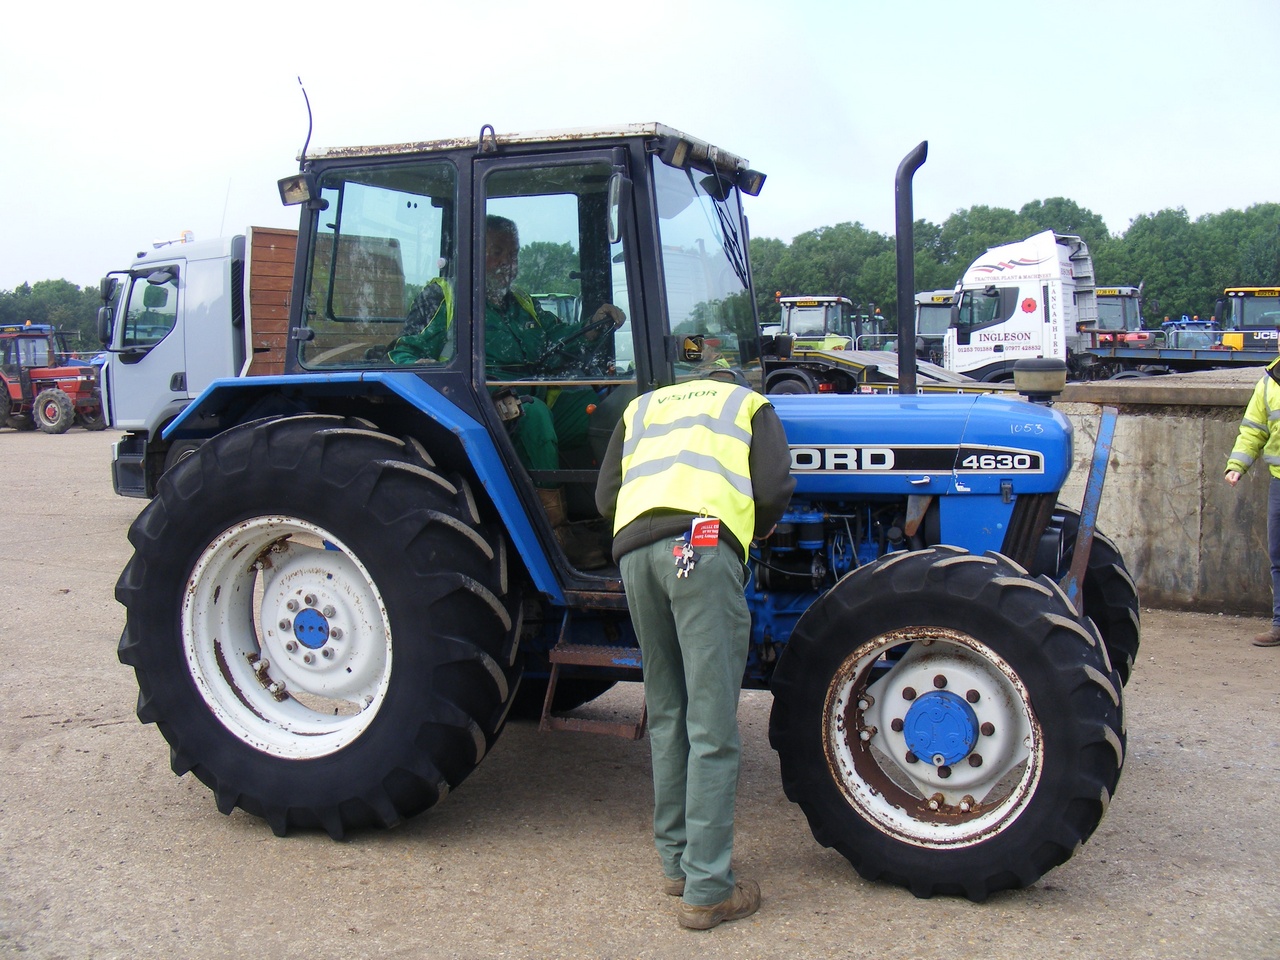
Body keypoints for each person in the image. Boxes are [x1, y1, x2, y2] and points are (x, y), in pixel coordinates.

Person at [594, 370, 795, 930]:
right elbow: (775, 486)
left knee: (668, 713)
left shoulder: (645, 406)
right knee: (711, 725)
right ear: (730, 378)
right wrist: (757, 529)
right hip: (701, 547)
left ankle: (676, 866)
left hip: (634, 554)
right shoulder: (748, 403)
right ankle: (708, 890)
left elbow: (606, 493)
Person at [391, 215, 622, 567]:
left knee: (607, 411)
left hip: (531, 399)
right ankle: (555, 534)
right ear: (472, 253)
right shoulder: (444, 297)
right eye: (497, 253)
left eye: (512, 255)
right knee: (536, 417)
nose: (507, 264)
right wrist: (428, 367)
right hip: (478, 408)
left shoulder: (522, 303)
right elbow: (402, 352)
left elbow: (557, 341)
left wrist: (591, 328)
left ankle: (616, 519)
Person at [1225, 354, 1280, 646]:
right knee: (1279, 556)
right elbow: (1254, 428)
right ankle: (1279, 624)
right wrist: (1237, 465)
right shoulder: (1269, 383)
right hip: (1279, 481)